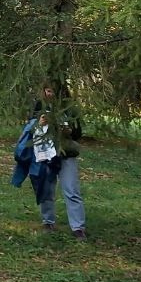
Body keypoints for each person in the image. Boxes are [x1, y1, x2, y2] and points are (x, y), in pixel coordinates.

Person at [31, 81, 87, 239]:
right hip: (46, 155)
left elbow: (78, 134)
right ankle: (48, 221)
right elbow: (30, 129)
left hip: (66, 154)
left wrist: (69, 131)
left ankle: (78, 228)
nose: (50, 94)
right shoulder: (38, 106)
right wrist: (38, 124)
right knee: (47, 189)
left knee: (71, 190)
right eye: (47, 91)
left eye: (53, 91)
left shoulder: (70, 108)